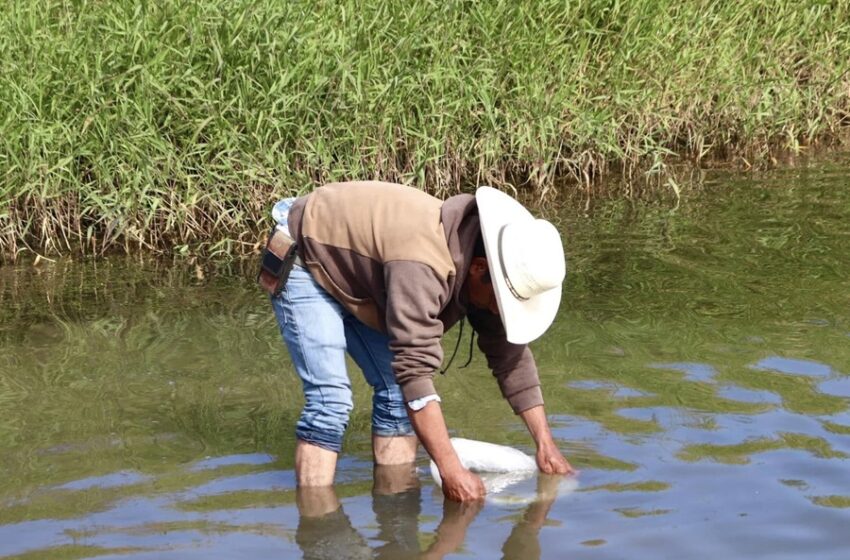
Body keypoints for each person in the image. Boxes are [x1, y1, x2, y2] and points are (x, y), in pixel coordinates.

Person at [267, 181, 574, 502]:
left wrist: (544, 442)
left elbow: (510, 358)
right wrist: (451, 469)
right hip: (304, 251)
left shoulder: (484, 266)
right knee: (331, 401)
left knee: (397, 396)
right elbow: (415, 376)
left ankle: (395, 521)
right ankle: (319, 529)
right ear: (479, 269)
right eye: (504, 299)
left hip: (367, 275)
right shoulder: (424, 266)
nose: (501, 309)